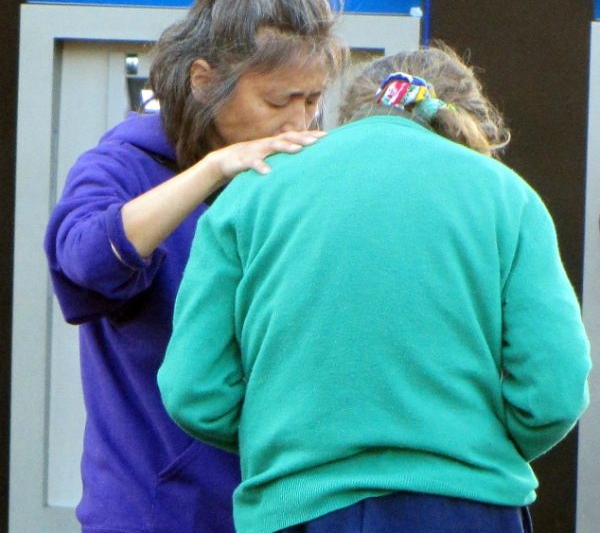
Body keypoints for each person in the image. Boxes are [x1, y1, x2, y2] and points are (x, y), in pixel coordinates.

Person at [157, 44, 591, 533]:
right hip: (466, 509)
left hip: (298, 509)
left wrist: (288, 440)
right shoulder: (507, 195)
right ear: (464, 123)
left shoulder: (252, 191)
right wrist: (470, 450)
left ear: (352, 111)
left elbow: (193, 389)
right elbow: (555, 388)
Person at [44, 0, 345, 533]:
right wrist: (211, 171)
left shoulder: (299, 172)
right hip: (159, 510)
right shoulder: (124, 163)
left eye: (313, 101)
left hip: (280, 507)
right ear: (205, 81)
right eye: (280, 101)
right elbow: (83, 261)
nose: (300, 124)